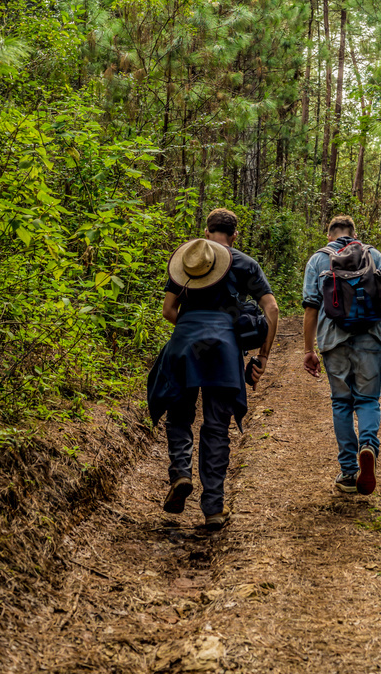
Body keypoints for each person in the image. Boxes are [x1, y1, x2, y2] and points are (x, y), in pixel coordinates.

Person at [147, 208, 279, 531]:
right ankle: (214, 508)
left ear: (206, 232)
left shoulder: (189, 260)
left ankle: (180, 472)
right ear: (235, 236)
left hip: (185, 346)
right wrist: (262, 358)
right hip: (223, 349)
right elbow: (272, 308)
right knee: (217, 427)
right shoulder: (245, 263)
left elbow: (168, 310)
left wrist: (194, 330)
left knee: (179, 414)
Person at [302, 214, 381, 495]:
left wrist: (309, 350)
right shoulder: (374, 254)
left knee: (341, 403)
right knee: (368, 399)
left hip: (334, 341)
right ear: (355, 234)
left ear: (329, 235)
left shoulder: (318, 259)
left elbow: (310, 307)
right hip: (371, 337)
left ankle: (348, 472)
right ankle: (368, 444)